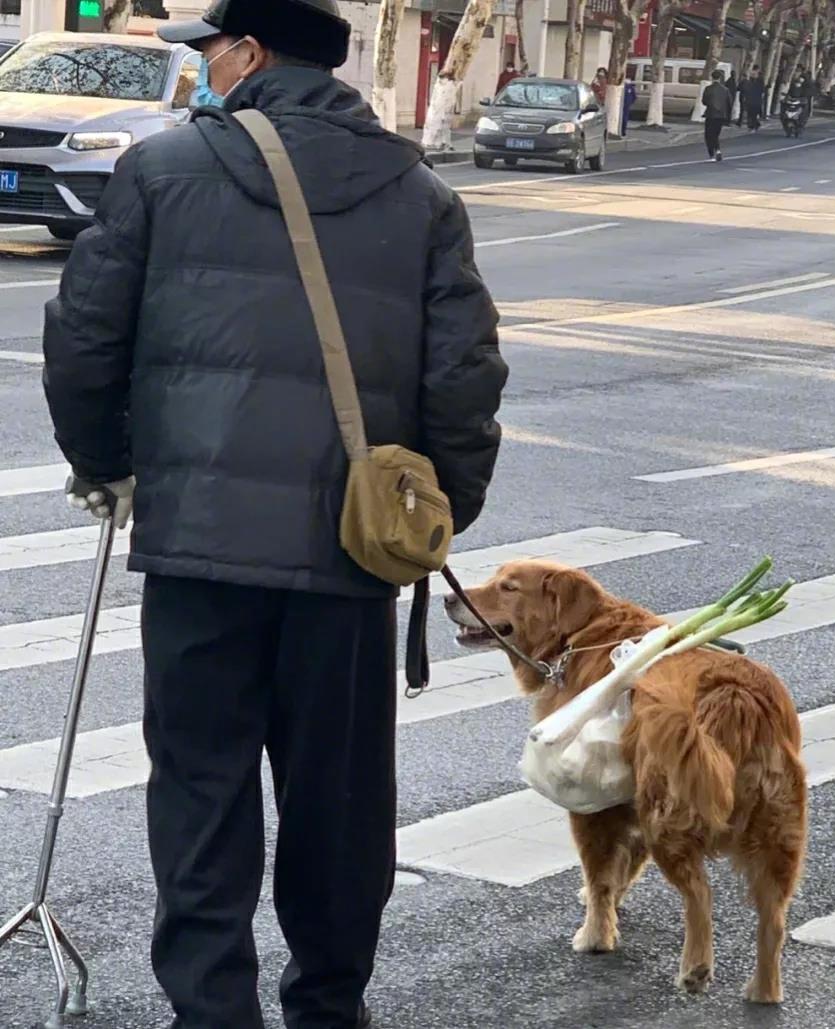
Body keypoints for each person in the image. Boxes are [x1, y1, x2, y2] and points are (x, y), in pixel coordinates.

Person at [42, 0, 508, 1027]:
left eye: (206, 51)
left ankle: (211, 1012)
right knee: (337, 802)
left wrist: (108, 466)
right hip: (347, 556)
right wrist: (433, 515)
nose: (200, 70)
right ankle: (328, 1006)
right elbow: (463, 376)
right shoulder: (416, 191)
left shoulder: (162, 174)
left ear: (249, 53)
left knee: (200, 789)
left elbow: (81, 338)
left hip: (199, 549)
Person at [702, 68, 731, 162]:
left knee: (708, 135)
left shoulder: (708, 88)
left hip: (710, 114)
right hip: (721, 115)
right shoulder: (725, 90)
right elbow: (729, 102)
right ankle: (717, 150)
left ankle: (712, 154)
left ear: (712, 77)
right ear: (720, 78)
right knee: (716, 134)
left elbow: (704, 101)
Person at [741, 65, 765, 130]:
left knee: (753, 114)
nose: (753, 75)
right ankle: (753, 125)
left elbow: (762, 91)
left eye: (754, 73)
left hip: (756, 100)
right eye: (752, 74)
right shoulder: (750, 82)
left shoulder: (760, 80)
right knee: (750, 114)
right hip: (751, 100)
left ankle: (753, 126)